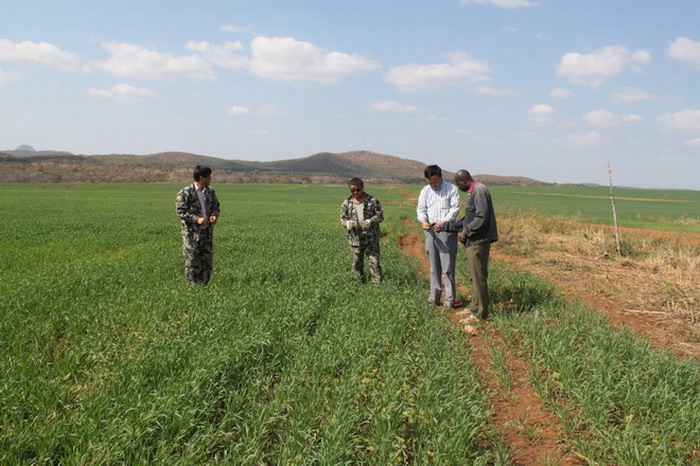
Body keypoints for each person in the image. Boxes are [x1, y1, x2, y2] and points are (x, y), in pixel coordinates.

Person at [446, 169, 498, 319]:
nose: (458, 187)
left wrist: (465, 233)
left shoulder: (479, 191)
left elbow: (481, 218)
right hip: (474, 241)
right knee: (475, 277)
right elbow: (469, 218)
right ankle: (474, 306)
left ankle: (480, 314)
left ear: (463, 181)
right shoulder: (474, 191)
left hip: (478, 241)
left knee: (479, 277)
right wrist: (447, 226)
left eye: (458, 184)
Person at [416, 165, 460, 308]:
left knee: (447, 267)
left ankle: (449, 300)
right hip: (430, 232)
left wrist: (444, 222)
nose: (433, 185)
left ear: (441, 177)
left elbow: (455, 208)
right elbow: (421, 209)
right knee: (434, 267)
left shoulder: (451, 189)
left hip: (446, 232)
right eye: (430, 182)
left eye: (435, 181)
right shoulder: (425, 191)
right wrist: (423, 221)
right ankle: (434, 297)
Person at [176, 165, 220, 285]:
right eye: (209, 176)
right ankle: (192, 288)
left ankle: (204, 286)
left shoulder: (210, 191)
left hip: (207, 232)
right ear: (201, 178)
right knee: (192, 261)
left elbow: (216, 206)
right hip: (192, 234)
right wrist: (196, 219)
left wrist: (214, 215)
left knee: (207, 261)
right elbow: (180, 212)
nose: (210, 179)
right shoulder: (185, 193)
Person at [340, 177, 384, 284]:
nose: (355, 192)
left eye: (358, 190)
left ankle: (377, 285)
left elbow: (380, 216)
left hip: (371, 238)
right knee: (357, 264)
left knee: (374, 262)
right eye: (352, 190)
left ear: (363, 187)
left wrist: (371, 221)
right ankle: (358, 284)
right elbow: (342, 218)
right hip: (355, 239)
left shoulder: (372, 201)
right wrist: (346, 223)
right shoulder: (347, 203)